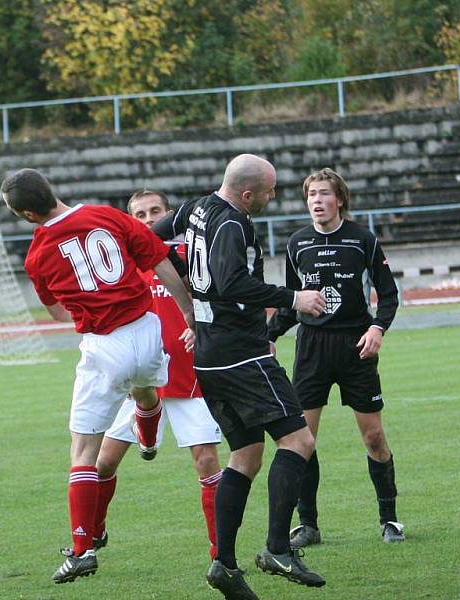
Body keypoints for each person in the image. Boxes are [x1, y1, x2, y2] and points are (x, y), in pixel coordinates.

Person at [1, 168, 195, 584]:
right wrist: (188, 312)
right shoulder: (106, 214)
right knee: (144, 388)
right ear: (51, 190)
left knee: (82, 451)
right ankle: (148, 421)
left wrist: (82, 308)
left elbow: (56, 311)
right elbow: (159, 259)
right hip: (148, 329)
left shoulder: (37, 254)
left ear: (28, 215)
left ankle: (82, 549)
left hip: (104, 345)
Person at [152, 154, 327, 600]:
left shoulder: (194, 207)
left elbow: (149, 239)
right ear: (247, 194)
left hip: (209, 354)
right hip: (241, 353)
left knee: (245, 455)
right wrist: (294, 298)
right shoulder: (233, 223)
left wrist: (186, 294)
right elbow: (231, 284)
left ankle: (224, 565)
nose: (272, 197)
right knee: (299, 442)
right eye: (269, 191)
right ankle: (276, 549)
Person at [267, 167, 403, 546]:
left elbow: (389, 294)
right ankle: (307, 524)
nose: (317, 201)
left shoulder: (363, 240)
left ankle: (389, 519)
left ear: (339, 199)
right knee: (303, 439)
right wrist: (270, 335)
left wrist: (377, 328)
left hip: (355, 346)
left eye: (324, 194)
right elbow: (293, 303)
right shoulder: (297, 243)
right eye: (311, 195)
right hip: (312, 349)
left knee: (374, 436)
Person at [93, 189, 223, 561]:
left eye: (156, 211)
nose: (149, 219)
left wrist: (200, 326)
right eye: (140, 214)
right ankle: (95, 530)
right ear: (130, 221)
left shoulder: (186, 259)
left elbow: (218, 303)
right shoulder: (118, 265)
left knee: (207, 461)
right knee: (103, 463)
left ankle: (220, 552)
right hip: (138, 381)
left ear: (169, 215)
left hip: (187, 379)